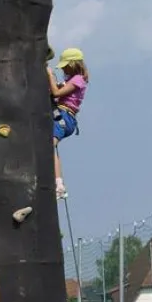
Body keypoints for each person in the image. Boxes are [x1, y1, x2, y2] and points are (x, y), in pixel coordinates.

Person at [46, 47, 89, 199]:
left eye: (65, 66)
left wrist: (50, 75)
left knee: (48, 146)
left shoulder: (78, 80)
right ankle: (58, 183)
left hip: (64, 117)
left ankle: (59, 185)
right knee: (49, 147)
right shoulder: (69, 81)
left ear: (72, 64)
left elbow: (57, 94)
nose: (63, 69)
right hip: (61, 115)